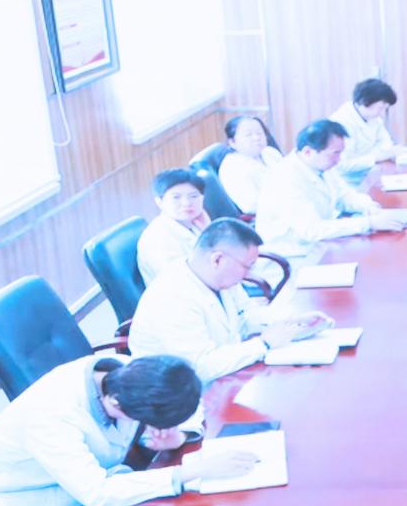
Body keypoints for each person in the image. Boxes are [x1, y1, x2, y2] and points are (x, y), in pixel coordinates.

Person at [0, 354, 256, 506]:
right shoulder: (53, 416)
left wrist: (176, 436)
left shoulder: (127, 372)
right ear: (116, 404)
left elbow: (191, 405)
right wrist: (187, 471)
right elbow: (98, 494)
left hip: (86, 487)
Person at [128, 219, 332, 383]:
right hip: (175, 397)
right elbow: (200, 367)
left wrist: (293, 324)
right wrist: (264, 343)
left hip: (224, 376)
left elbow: (247, 316)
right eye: (247, 266)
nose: (248, 274)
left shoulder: (218, 277)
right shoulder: (173, 297)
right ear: (217, 259)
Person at [254, 119, 404, 249]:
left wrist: (369, 207)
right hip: (294, 252)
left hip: (320, 243)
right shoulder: (285, 179)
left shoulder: (319, 164)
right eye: (335, 153)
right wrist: (368, 223)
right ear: (308, 152)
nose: (339, 160)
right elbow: (312, 230)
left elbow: (344, 195)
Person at [137, 168, 213, 285]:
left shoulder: (195, 223)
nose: (187, 203)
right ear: (159, 202)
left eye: (193, 196)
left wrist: (209, 231)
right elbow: (184, 281)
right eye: (176, 197)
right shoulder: (157, 239)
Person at [329, 78, 407, 184]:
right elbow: (342, 165)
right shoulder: (341, 123)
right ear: (364, 101)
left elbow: (386, 143)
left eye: (385, 109)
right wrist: (376, 157)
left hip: (372, 173)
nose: (382, 113)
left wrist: (380, 154)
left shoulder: (372, 117)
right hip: (348, 182)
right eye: (380, 108)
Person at [218, 115, 283, 215]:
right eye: (248, 135)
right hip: (270, 215)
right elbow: (250, 206)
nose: (256, 138)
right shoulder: (232, 168)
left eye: (259, 133)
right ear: (232, 142)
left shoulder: (270, 152)